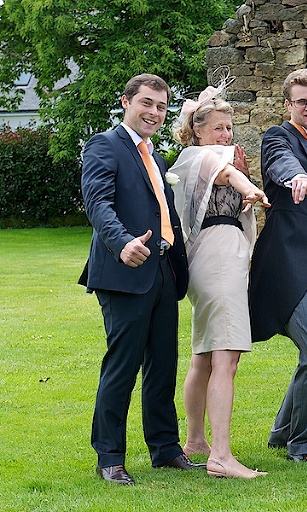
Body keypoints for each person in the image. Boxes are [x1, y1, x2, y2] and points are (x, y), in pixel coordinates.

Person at [79, 74, 201, 485]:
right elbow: (97, 203)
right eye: (146, 103)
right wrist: (122, 243)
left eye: (161, 107)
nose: (153, 113)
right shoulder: (104, 146)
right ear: (126, 101)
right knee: (123, 365)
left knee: (163, 365)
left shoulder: (158, 157)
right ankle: (110, 456)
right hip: (124, 273)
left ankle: (166, 449)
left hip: (164, 272)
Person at [170, 83, 270, 478]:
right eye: (218, 128)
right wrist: (251, 187)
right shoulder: (199, 157)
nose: (226, 135)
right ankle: (222, 457)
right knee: (227, 355)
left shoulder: (209, 157)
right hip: (218, 254)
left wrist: (245, 191)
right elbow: (228, 175)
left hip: (218, 253)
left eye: (229, 128)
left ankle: (196, 440)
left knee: (205, 354)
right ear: (198, 131)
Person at [248, 68, 307, 463]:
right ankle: (301, 446)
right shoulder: (277, 137)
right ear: (288, 104)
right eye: (301, 101)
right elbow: (280, 164)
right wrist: (297, 178)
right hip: (286, 264)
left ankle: (281, 431)